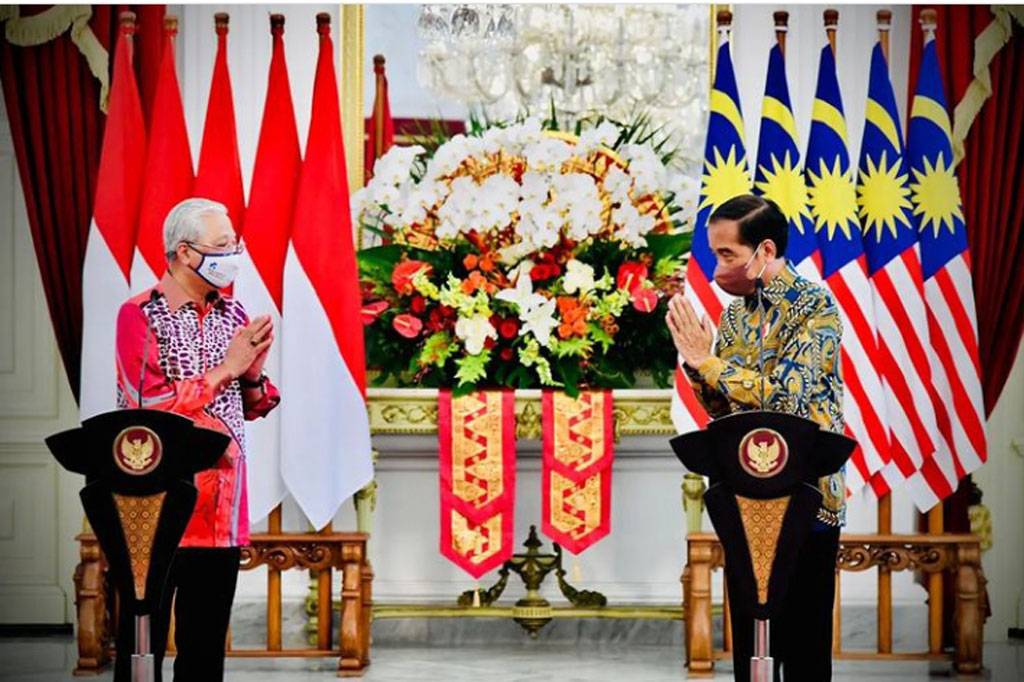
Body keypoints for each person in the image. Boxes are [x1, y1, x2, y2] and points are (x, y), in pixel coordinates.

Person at [667, 194, 845, 681]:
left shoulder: (815, 306)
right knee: (750, 641)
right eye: (715, 254)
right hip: (747, 495)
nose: (718, 268)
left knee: (805, 645)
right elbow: (725, 409)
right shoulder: (736, 316)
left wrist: (709, 363)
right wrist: (696, 365)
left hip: (807, 495)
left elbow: (788, 396)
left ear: (765, 250)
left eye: (728, 255)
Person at [113, 197, 280, 681]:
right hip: (157, 507)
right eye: (223, 246)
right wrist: (227, 369)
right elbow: (148, 410)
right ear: (185, 252)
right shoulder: (141, 314)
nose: (234, 255)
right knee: (141, 651)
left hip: (221, 506)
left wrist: (251, 374)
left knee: (205, 652)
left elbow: (248, 406)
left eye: (235, 245)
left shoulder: (233, 313)